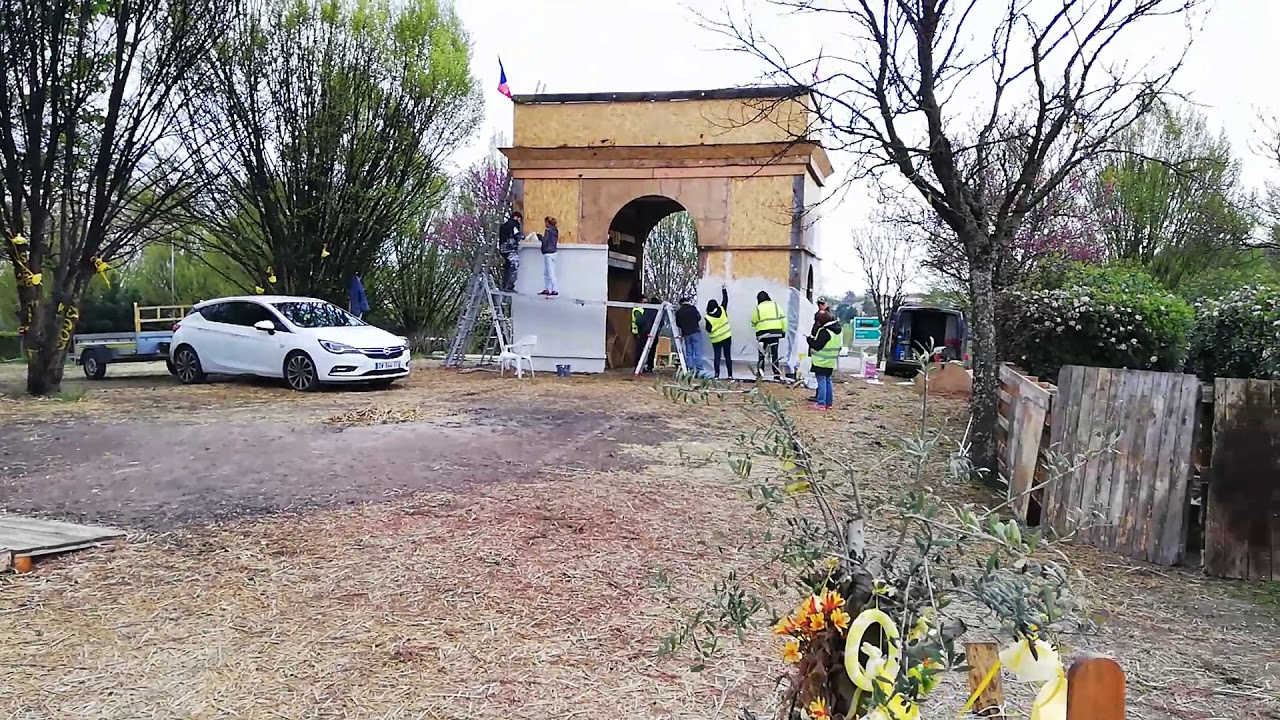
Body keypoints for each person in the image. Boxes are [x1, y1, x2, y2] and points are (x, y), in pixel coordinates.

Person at [807, 310, 842, 410]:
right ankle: (829, 403)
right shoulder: (837, 331)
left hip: (821, 361)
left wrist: (809, 340)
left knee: (821, 381)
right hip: (830, 361)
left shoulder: (824, 331)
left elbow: (817, 346)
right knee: (828, 381)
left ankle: (821, 403)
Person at [751, 290, 787, 382]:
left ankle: (760, 373)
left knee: (762, 354)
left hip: (762, 334)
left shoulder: (758, 308)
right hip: (775, 332)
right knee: (775, 354)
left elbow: (753, 322)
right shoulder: (775, 305)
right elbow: (783, 319)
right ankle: (776, 375)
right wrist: (783, 331)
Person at [704, 285, 732, 379]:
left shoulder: (707, 317)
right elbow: (725, 300)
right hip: (727, 337)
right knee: (728, 356)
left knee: (717, 357)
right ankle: (730, 375)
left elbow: (708, 329)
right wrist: (724, 290)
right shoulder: (722, 309)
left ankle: (716, 375)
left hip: (716, 340)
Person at [675, 295, 705, 377]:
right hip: (695, 331)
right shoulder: (693, 308)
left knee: (689, 353)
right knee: (698, 352)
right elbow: (698, 317)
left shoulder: (679, 312)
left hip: (686, 334)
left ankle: (690, 370)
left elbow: (678, 324)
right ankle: (700, 371)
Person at [497, 210, 523, 292]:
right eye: (519, 219)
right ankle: (509, 286)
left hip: (502, 248)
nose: (520, 221)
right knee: (514, 264)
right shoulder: (513, 224)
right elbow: (516, 234)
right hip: (510, 248)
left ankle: (504, 285)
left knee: (507, 266)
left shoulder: (503, 225)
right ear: (516, 217)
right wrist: (525, 238)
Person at [539, 216, 559, 296]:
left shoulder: (548, 231)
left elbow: (545, 240)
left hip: (548, 252)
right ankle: (549, 289)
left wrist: (539, 237)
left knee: (549, 272)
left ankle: (553, 289)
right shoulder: (555, 231)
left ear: (548, 222)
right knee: (549, 271)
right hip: (553, 252)